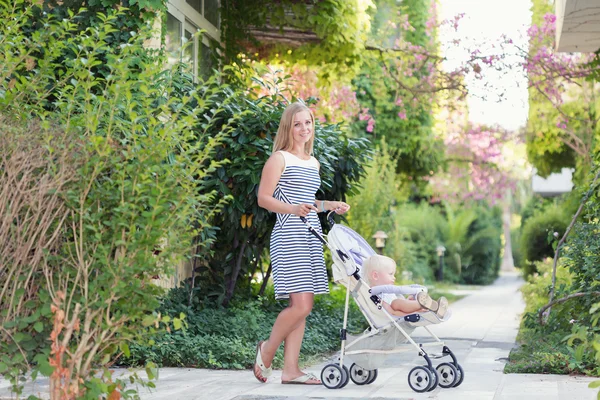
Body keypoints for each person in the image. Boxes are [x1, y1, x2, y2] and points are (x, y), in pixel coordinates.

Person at [254, 102, 350, 385]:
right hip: (288, 235)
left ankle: (291, 370)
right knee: (302, 306)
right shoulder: (279, 159)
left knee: (302, 304)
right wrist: (292, 208)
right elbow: (263, 198)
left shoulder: (313, 162)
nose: (304, 129)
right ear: (288, 127)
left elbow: (307, 203)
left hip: (309, 235)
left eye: (307, 123)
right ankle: (267, 350)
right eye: (297, 124)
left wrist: (328, 204)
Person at [362, 254, 448, 318]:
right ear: (375, 276)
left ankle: (434, 307)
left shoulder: (387, 292)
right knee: (396, 303)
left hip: (404, 310)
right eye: (391, 274)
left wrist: (407, 301)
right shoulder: (376, 296)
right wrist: (411, 313)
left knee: (401, 301)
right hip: (399, 316)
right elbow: (393, 313)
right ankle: (425, 305)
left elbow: (400, 307)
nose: (394, 278)